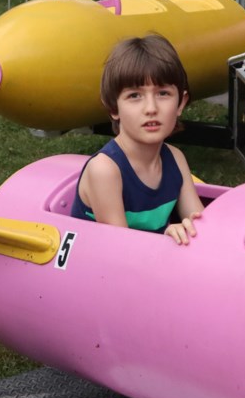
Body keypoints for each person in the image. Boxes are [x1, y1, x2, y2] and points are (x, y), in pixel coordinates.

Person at [71, 34, 203, 245]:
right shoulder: (105, 170)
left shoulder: (176, 159)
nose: (151, 108)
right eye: (134, 96)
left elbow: (201, 226)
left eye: (163, 93)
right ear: (114, 107)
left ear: (181, 103)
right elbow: (120, 251)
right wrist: (167, 237)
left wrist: (190, 229)